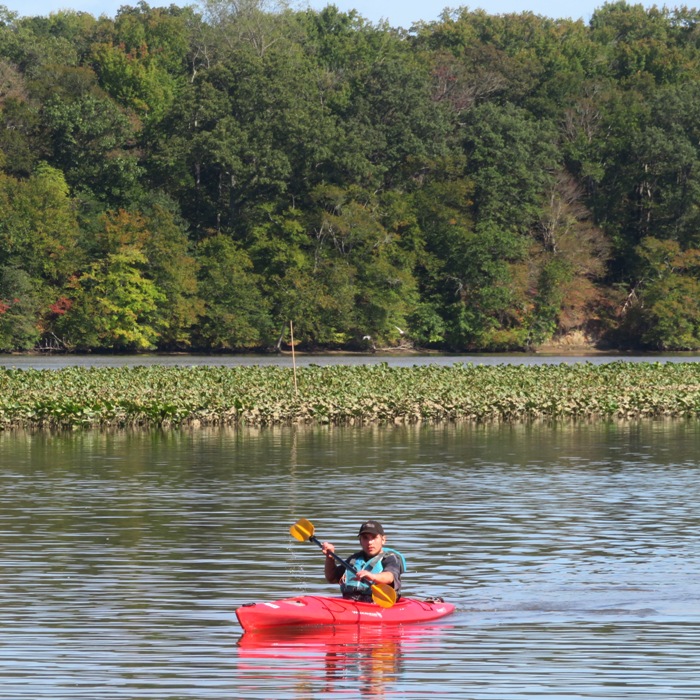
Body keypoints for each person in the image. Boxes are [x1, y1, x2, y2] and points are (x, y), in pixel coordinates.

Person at [322, 520, 404, 602]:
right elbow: (332, 578)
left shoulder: (390, 559)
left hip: (376, 605)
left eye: (374, 537)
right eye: (365, 538)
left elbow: (390, 576)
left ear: (383, 540)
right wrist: (330, 557)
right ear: (360, 541)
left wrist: (373, 576)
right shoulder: (354, 559)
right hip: (350, 603)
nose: (369, 542)